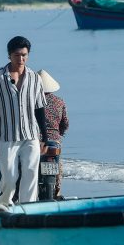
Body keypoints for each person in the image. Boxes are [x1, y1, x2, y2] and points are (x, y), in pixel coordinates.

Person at [0, 36, 48, 209]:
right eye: (17, 55)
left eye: (24, 55)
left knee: (31, 173)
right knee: (9, 178)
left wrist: (45, 136)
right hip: (7, 136)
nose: (21, 59)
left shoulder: (35, 78)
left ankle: (28, 209)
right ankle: (4, 204)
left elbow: (39, 108)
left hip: (31, 134)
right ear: (9, 55)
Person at [37, 69, 69, 199]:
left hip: (37, 140)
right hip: (55, 141)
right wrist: (59, 133)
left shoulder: (32, 101)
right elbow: (65, 123)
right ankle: (57, 190)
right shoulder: (60, 101)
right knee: (58, 165)